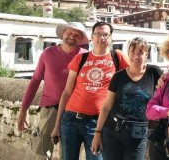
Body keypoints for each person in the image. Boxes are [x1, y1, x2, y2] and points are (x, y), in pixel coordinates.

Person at [51, 21, 128, 160]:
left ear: (111, 38)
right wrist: (57, 125)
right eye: (98, 34)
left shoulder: (117, 57)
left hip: (97, 122)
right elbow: (67, 92)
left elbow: (136, 73)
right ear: (92, 37)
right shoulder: (80, 58)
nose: (101, 38)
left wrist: (159, 76)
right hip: (70, 119)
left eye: (105, 34)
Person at [16, 22, 89, 160]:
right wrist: (23, 110)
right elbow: (35, 81)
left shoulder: (85, 56)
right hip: (49, 110)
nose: (72, 36)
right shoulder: (48, 53)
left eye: (76, 35)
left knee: (68, 154)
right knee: (41, 152)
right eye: (69, 32)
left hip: (74, 112)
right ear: (63, 33)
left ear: (80, 39)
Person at [90, 37, 163, 160]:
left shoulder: (153, 72)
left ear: (146, 54)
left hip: (138, 134)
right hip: (113, 131)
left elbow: (168, 87)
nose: (136, 56)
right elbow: (106, 106)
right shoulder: (118, 77)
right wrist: (97, 133)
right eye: (132, 52)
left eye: (140, 53)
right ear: (128, 53)